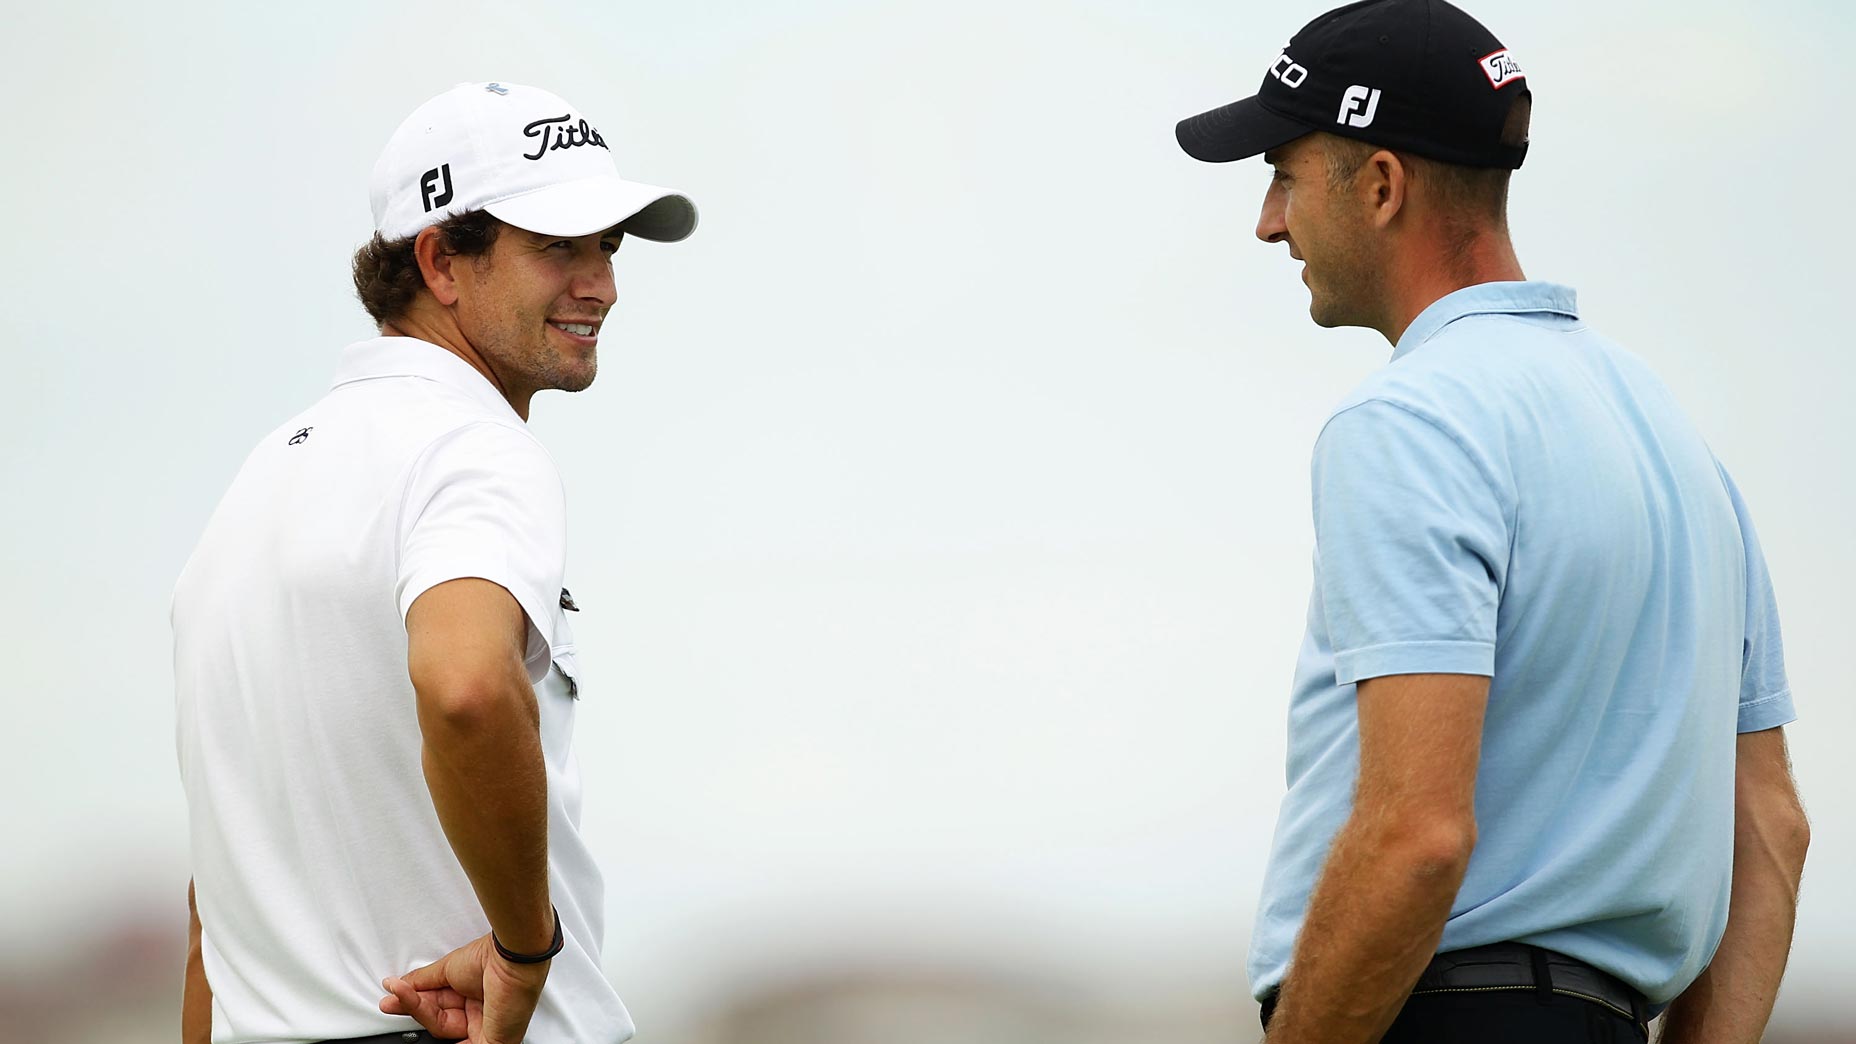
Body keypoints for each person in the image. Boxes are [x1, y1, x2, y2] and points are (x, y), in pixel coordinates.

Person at [1174, 2, 1808, 1042]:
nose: (1267, 221)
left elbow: (1415, 836)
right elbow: (1768, 824)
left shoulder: (1408, 420)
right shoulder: (1666, 432)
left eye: (1284, 174)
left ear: (1379, 186)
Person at [173, 81, 697, 1044]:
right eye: (557, 246)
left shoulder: (253, 491)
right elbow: (465, 687)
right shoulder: (472, 446)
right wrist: (524, 950)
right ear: (441, 262)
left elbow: (219, 901)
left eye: (608, 246)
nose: (603, 284)